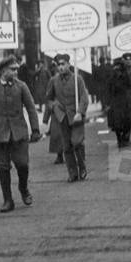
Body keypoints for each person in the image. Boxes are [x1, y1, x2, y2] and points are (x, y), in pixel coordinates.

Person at [0, 55, 41, 212]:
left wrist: (35, 129)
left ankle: (23, 188)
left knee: (22, 164)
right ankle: (8, 200)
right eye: (12, 69)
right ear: (3, 71)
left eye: (16, 69)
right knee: (3, 167)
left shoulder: (21, 86)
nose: (16, 72)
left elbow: (31, 107)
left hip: (19, 134)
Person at [44, 51, 90, 182]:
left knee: (77, 142)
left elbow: (84, 98)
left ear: (69, 64)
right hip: (62, 117)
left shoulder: (77, 79)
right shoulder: (54, 81)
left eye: (63, 64)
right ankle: (72, 173)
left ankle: (82, 168)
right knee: (67, 146)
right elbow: (48, 99)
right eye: (59, 65)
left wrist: (80, 112)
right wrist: (54, 108)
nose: (60, 67)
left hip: (76, 117)